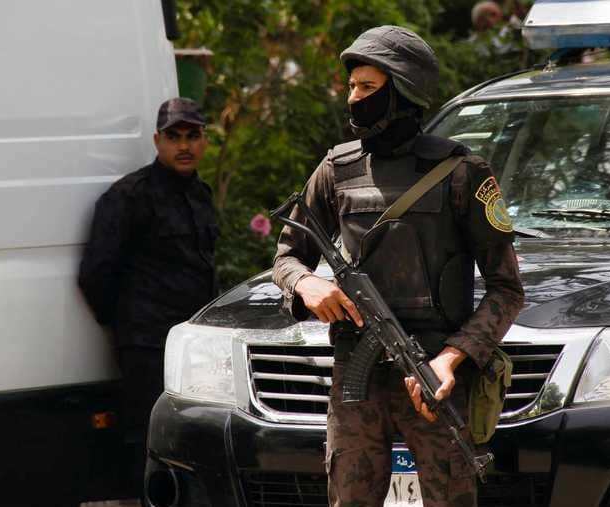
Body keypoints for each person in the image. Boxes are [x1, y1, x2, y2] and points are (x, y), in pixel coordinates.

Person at [272, 26, 524, 507]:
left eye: (367, 87)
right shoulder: (337, 169)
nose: (353, 98)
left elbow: (507, 289)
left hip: (433, 376)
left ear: (403, 91)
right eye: (351, 86)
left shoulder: (462, 173)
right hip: (357, 375)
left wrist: (451, 359)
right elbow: (286, 256)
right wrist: (306, 284)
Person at [78, 97, 219, 487]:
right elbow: (95, 273)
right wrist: (129, 325)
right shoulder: (129, 196)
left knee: (195, 443)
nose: (184, 146)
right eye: (174, 137)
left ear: (204, 140)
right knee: (150, 443)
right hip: (147, 347)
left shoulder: (201, 195)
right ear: (158, 141)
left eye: (192, 136)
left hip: (193, 345)